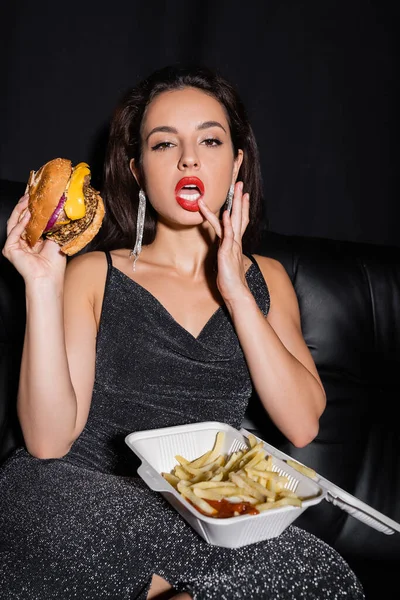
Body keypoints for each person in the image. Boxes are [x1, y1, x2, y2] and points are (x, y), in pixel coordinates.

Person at [0, 64, 364, 599]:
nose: (189, 157)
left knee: (322, 573)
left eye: (210, 140)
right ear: (138, 170)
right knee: (30, 489)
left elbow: (302, 422)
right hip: (77, 496)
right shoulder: (94, 273)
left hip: (202, 517)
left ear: (237, 162)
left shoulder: (269, 281)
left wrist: (237, 291)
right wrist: (41, 283)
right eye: (164, 143)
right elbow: (48, 443)